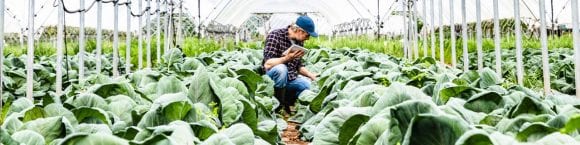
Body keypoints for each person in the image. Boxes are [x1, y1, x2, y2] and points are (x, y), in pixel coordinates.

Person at [262, 16, 318, 115]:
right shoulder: (275, 36)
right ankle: (279, 107)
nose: (307, 39)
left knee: (307, 86)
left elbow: (298, 66)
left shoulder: (299, 42)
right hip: (272, 79)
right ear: (300, 31)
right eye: (307, 35)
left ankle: (288, 101)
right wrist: (286, 58)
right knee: (281, 69)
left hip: (290, 79)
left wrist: (310, 75)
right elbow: (267, 64)